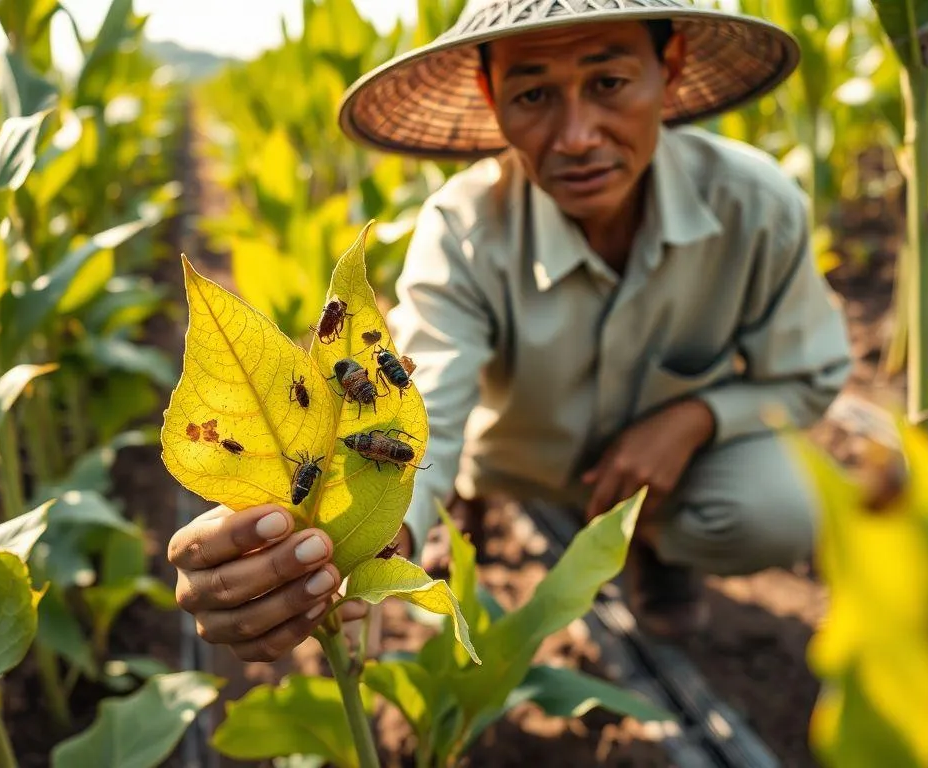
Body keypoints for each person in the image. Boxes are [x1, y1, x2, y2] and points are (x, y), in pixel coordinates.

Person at [167, 0, 852, 662]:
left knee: (781, 510)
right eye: (533, 96)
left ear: (668, 66)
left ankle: (649, 539)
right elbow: (422, 386)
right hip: (513, 460)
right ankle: (469, 498)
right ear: (490, 95)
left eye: (609, 83)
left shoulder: (756, 206)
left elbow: (810, 373)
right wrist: (367, 535)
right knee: (437, 471)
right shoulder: (464, 227)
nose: (577, 135)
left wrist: (696, 419)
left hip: (663, 473)